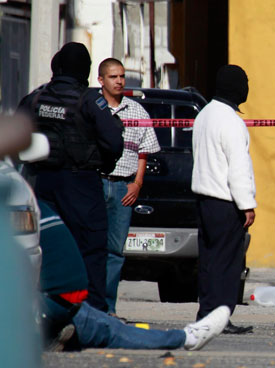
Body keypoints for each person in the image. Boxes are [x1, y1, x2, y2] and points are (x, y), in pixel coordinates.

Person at [37, 199, 229, 351]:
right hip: (41, 308)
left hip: (61, 306)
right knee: (106, 328)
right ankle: (186, 337)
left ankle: (187, 337)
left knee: (111, 328)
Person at [18, 42, 124, 312]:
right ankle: (93, 312)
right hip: (81, 185)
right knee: (91, 248)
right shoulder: (89, 99)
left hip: (41, 184)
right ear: (85, 70)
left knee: (48, 247)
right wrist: (106, 162)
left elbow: (15, 138)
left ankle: (49, 309)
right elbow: (113, 142)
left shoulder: (36, 98)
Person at [191, 65, 256, 334]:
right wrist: (247, 205)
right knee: (227, 263)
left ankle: (206, 312)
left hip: (204, 199)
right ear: (237, 88)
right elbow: (238, 168)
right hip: (225, 201)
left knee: (208, 261)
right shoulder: (231, 120)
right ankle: (221, 316)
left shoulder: (204, 115)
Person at [97, 58, 161, 318]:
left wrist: (137, 183)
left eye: (122, 76)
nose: (120, 81)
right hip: (96, 183)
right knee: (90, 247)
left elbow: (144, 152)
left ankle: (108, 309)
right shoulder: (93, 108)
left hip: (124, 186)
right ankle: (88, 307)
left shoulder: (137, 112)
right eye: (113, 77)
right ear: (101, 80)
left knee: (115, 252)